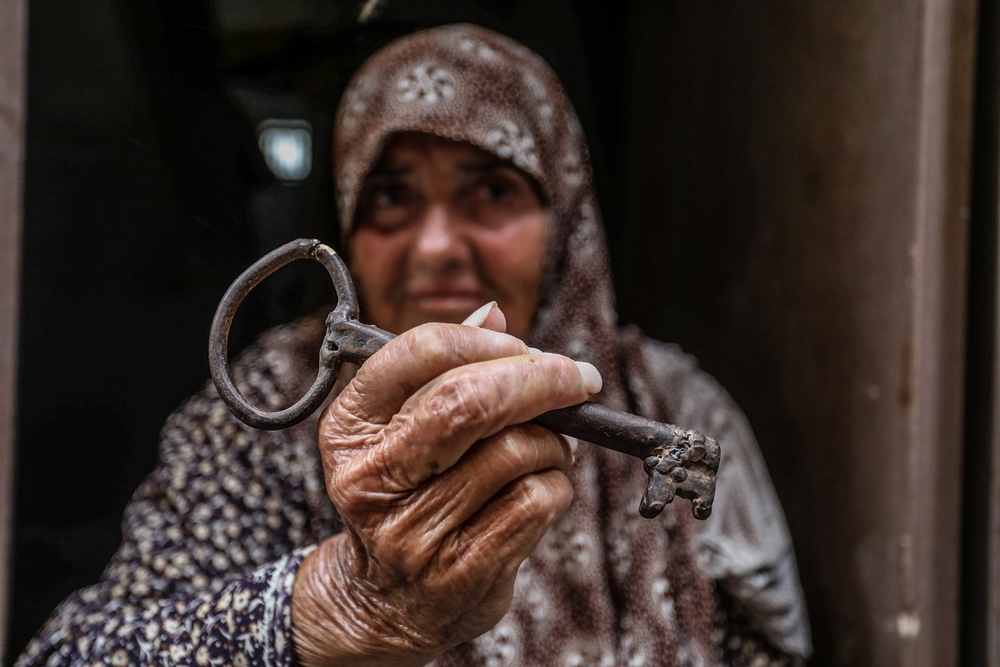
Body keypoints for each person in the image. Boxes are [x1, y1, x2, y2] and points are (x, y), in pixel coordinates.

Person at [18, 24, 810, 667]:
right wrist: (342, 604)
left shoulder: (671, 405)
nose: (434, 246)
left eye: (491, 191)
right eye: (391, 197)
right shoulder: (258, 419)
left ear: (563, 218)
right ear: (348, 231)